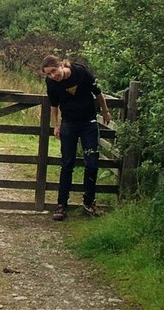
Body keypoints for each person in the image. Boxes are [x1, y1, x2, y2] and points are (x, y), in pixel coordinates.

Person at [40, 55, 111, 221]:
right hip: (69, 123)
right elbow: (53, 106)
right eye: (48, 74)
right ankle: (61, 205)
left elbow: (98, 92)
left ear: (60, 65)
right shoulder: (51, 83)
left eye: (54, 71)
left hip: (88, 122)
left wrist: (105, 111)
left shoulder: (81, 72)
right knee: (67, 163)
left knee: (92, 162)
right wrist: (56, 125)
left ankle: (89, 203)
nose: (53, 76)